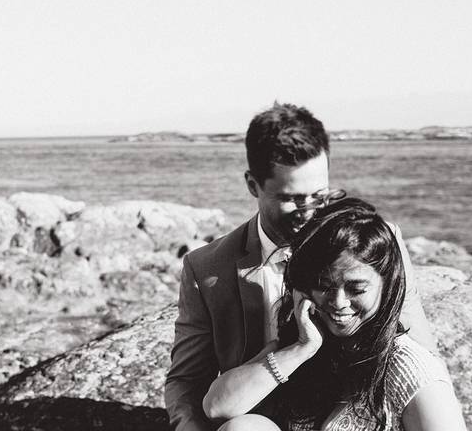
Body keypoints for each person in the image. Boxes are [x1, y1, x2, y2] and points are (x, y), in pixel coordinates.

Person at [164, 103, 437, 431]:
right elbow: (187, 383)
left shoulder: (378, 241)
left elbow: (420, 352)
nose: (309, 212)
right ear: (253, 185)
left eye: (319, 195)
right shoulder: (206, 268)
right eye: (293, 198)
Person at [200, 197, 466, 431]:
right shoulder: (306, 344)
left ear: (387, 285)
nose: (339, 302)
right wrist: (301, 349)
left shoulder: (409, 369)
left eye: (356, 288)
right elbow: (217, 407)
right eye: (324, 285)